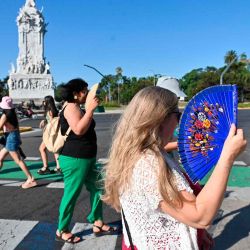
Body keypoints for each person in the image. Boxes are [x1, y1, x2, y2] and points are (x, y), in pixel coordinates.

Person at [103, 86, 247, 249]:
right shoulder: (147, 164)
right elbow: (201, 217)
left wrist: (197, 233)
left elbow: (177, 214)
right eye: (178, 116)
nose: (179, 124)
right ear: (160, 118)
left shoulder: (140, 151)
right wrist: (227, 157)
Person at [55, 78, 117, 244]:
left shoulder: (78, 107)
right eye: (84, 90)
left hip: (86, 158)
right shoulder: (71, 107)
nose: (87, 93)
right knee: (72, 194)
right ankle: (62, 229)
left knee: (98, 187)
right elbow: (79, 129)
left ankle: (97, 221)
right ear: (75, 94)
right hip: (75, 159)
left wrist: (88, 110)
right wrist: (90, 110)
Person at [0, 96, 37, 189]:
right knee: (0, 158)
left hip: (10, 138)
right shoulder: (13, 114)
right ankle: (30, 178)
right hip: (13, 136)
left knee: (18, 160)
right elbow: (16, 127)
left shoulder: (5, 116)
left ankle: (31, 178)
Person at [37, 96, 61, 175]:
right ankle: (58, 167)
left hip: (50, 133)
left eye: (44, 101)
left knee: (41, 149)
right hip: (54, 133)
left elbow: (51, 123)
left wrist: (45, 124)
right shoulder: (53, 110)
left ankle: (45, 167)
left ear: (47, 102)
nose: (43, 102)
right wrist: (44, 120)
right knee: (55, 150)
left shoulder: (49, 111)